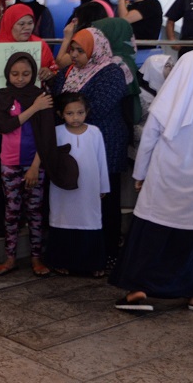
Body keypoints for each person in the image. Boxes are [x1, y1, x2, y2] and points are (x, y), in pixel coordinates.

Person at [112, 49, 193, 312]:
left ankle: (138, 291)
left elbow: (151, 132)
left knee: (152, 231)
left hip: (167, 173)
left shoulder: (182, 77)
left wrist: (140, 173)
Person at [52, 28, 128, 266]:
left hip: (104, 143)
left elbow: (98, 106)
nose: (73, 55)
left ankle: (107, 251)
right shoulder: (67, 73)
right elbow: (56, 101)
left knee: (105, 198)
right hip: (71, 147)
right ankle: (76, 253)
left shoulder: (112, 72)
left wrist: (70, 115)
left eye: (80, 50)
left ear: (96, 50)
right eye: (72, 49)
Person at [0, 53, 56, 277]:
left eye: (26, 74)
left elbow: (47, 136)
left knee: (35, 211)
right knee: (12, 211)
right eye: (15, 74)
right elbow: (5, 126)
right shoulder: (1, 97)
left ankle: (37, 258)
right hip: (9, 162)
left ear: (34, 74)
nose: (20, 78)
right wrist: (34, 108)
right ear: (7, 73)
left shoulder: (42, 97)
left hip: (35, 162)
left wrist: (36, 166)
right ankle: (10, 259)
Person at [44, 93, 111, 276]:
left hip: (89, 187)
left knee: (90, 220)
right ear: (61, 114)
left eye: (80, 113)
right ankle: (60, 262)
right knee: (63, 219)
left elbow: (101, 160)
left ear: (86, 112)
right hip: (62, 188)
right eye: (70, 113)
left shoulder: (94, 132)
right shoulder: (57, 132)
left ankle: (94, 264)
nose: (75, 117)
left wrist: (103, 186)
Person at [0, 3, 58, 81]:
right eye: (21, 24)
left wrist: (48, 72)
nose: (27, 27)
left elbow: (54, 69)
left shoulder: (40, 45)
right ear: (9, 24)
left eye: (30, 23)